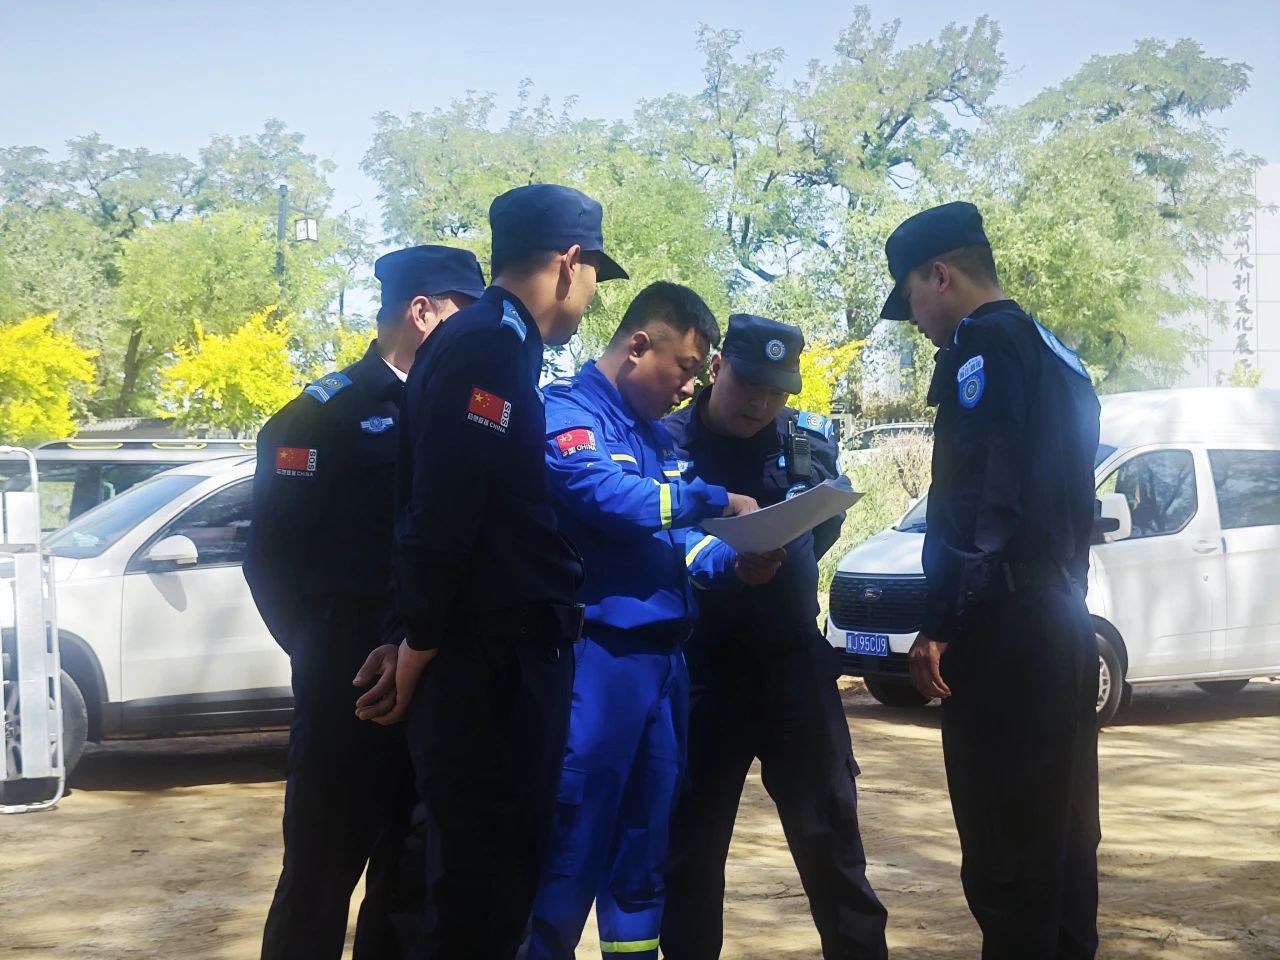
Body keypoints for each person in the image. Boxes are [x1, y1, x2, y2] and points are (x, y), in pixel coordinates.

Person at [380, 184, 628, 960]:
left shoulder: (497, 341)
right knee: (480, 899)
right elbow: (446, 504)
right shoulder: (488, 343)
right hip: (487, 664)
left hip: (496, 656)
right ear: (569, 262)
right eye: (593, 276)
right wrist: (420, 639)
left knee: (491, 889)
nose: (590, 297)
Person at [244, 244, 486, 960]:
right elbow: (271, 561)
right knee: (319, 876)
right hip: (346, 687)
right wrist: (325, 652)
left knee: (409, 881)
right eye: (463, 314)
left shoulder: (464, 411)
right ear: (422, 312)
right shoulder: (323, 416)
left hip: (432, 681)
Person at [881, 201, 1102, 958]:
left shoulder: (982, 347)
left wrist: (943, 618)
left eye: (911, 297)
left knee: (1007, 849)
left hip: (1002, 624)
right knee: (1064, 837)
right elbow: (1075, 498)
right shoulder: (1057, 351)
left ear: (939, 275)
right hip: (1060, 614)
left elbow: (983, 494)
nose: (915, 321)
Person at [526, 283, 771, 960]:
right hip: (598, 664)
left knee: (645, 850)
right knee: (569, 849)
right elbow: (605, 496)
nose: (691, 387)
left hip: (665, 668)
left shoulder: (653, 437)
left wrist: (737, 561)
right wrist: (713, 498)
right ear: (638, 346)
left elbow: (682, 547)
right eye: (685, 368)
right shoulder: (566, 411)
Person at [660, 314, 889, 960]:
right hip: (702, 675)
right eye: (748, 384)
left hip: (795, 672)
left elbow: (821, 531)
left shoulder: (808, 445)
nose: (760, 401)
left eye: (775, 390)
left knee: (833, 851)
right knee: (689, 857)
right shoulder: (665, 443)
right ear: (716, 369)